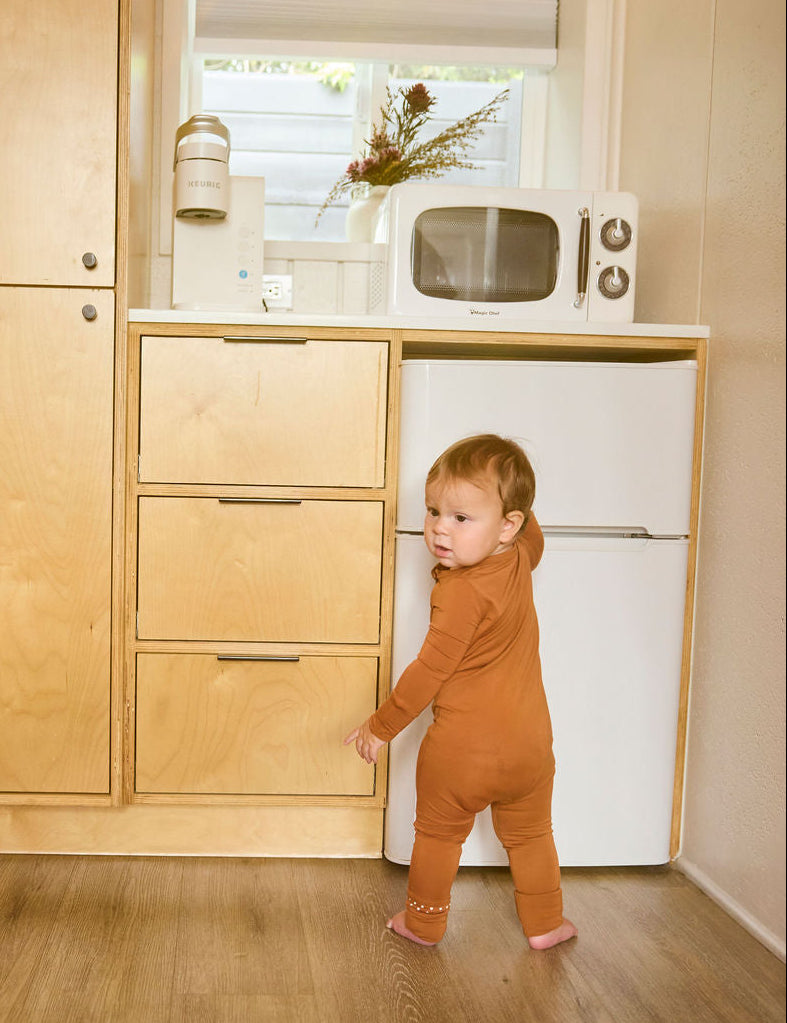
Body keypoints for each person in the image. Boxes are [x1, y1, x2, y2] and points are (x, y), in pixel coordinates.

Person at [344, 433, 577, 950]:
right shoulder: (519, 559)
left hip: (461, 754)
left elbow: (429, 671)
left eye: (461, 518)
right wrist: (506, 497)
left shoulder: (460, 592)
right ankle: (545, 925)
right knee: (533, 836)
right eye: (433, 512)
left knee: (438, 836)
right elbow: (527, 522)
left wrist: (381, 727)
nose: (439, 530)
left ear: (505, 528)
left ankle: (422, 922)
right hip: (530, 749)